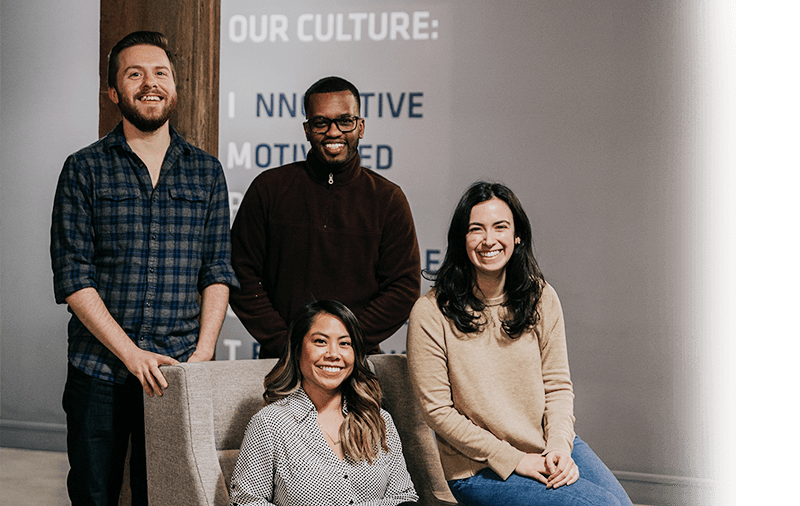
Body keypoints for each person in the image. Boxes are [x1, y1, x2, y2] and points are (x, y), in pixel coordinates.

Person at [50, 31, 239, 505]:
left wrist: (203, 355)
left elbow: (217, 269)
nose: (149, 83)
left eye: (160, 74)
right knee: (94, 494)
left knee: (166, 496)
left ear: (175, 87)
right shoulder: (84, 169)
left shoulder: (206, 171)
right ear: (115, 92)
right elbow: (74, 276)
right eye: (134, 74)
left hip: (178, 370)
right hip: (99, 371)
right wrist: (131, 354)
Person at [406, 182, 634, 506]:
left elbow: (557, 387)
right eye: (476, 229)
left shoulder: (541, 297)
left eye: (500, 227)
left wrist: (558, 446)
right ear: (461, 239)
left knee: (620, 504)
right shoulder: (430, 312)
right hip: (478, 467)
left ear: (517, 236)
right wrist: (514, 459)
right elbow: (438, 413)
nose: (489, 240)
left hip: (544, 443)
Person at [229, 76, 420, 358]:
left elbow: (403, 288)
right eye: (321, 123)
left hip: (359, 363)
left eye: (345, 121)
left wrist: (346, 343)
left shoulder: (388, 198)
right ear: (307, 130)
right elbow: (240, 274)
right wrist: (289, 344)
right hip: (282, 362)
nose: (334, 132)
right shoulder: (269, 189)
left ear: (361, 127)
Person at [229, 300, 418, 506]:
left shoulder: (379, 420)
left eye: (345, 343)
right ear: (298, 348)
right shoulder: (269, 424)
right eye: (320, 341)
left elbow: (404, 498)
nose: (333, 354)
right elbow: (246, 501)